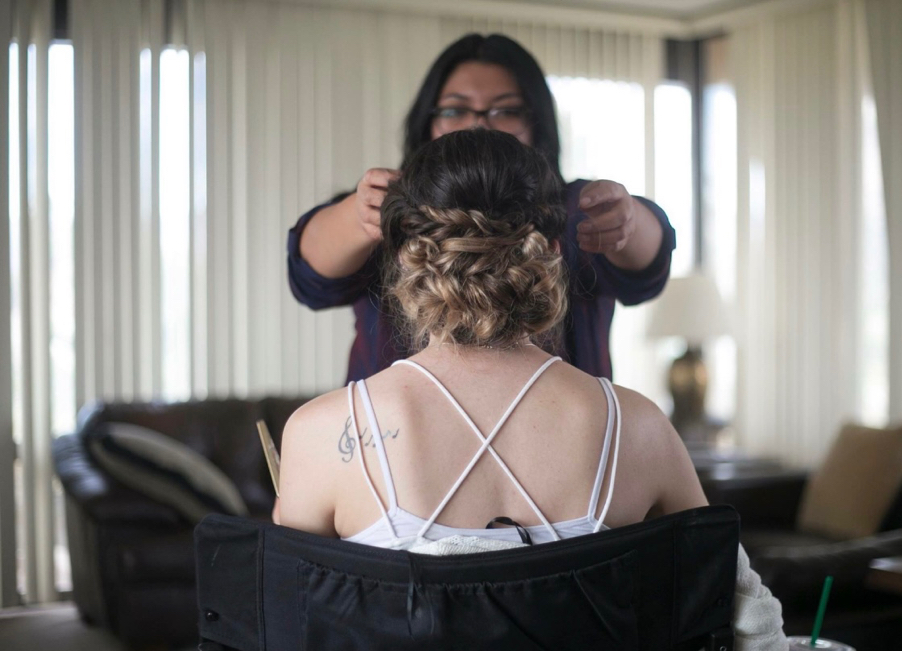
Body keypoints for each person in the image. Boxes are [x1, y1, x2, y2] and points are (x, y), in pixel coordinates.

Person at [278, 129, 787, 649]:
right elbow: (738, 615)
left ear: (404, 257)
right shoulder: (637, 427)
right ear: (551, 252)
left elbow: (284, 626)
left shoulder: (322, 434)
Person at [287, 33, 675, 383]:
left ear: (536, 123)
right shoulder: (389, 208)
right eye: (456, 110)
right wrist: (358, 217)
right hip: (395, 444)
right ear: (428, 123)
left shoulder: (573, 211)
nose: (479, 127)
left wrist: (629, 221)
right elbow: (311, 279)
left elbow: (647, 269)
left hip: (562, 444)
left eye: (505, 110)